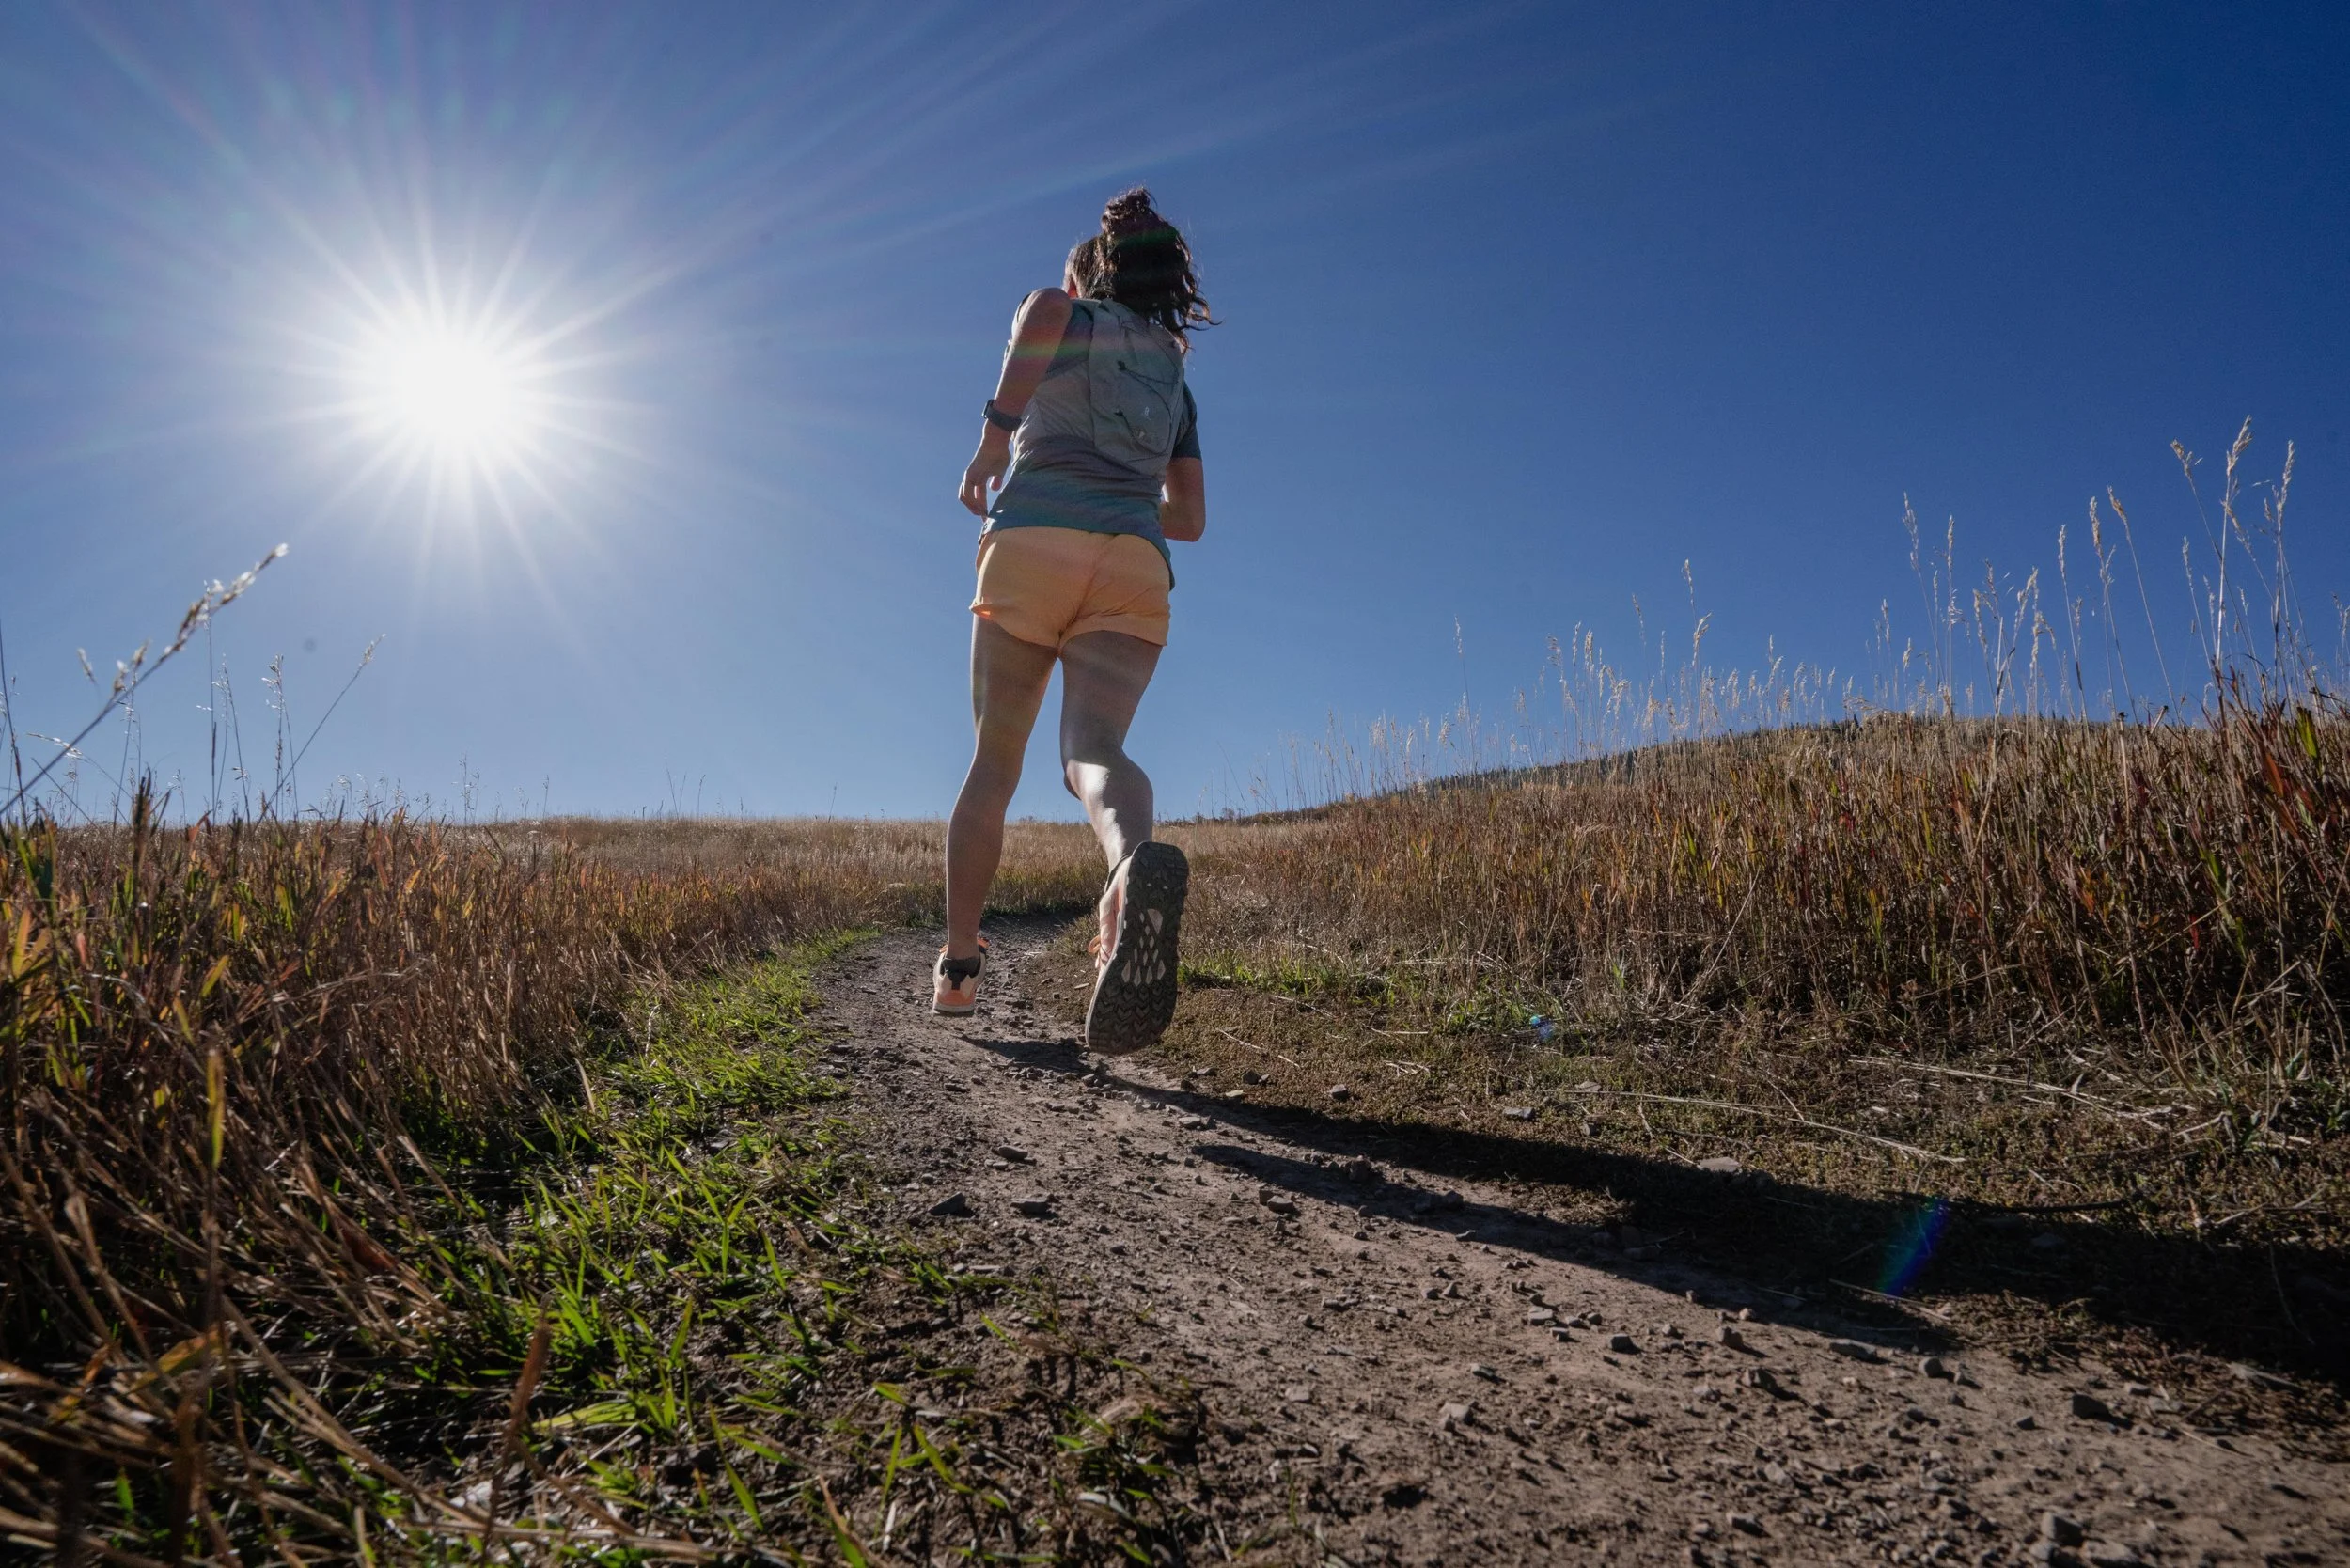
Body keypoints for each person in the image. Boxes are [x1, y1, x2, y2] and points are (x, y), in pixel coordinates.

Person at [934, 187, 1212, 1056]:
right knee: (1092, 752)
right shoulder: (1174, 370)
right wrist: (1118, 504)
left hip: (1033, 546)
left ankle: (958, 967)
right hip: (1132, 563)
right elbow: (1192, 518)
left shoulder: (1063, 310)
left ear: (1093, 269)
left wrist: (994, 441)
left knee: (995, 763)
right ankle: (1131, 865)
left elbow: (1047, 314)